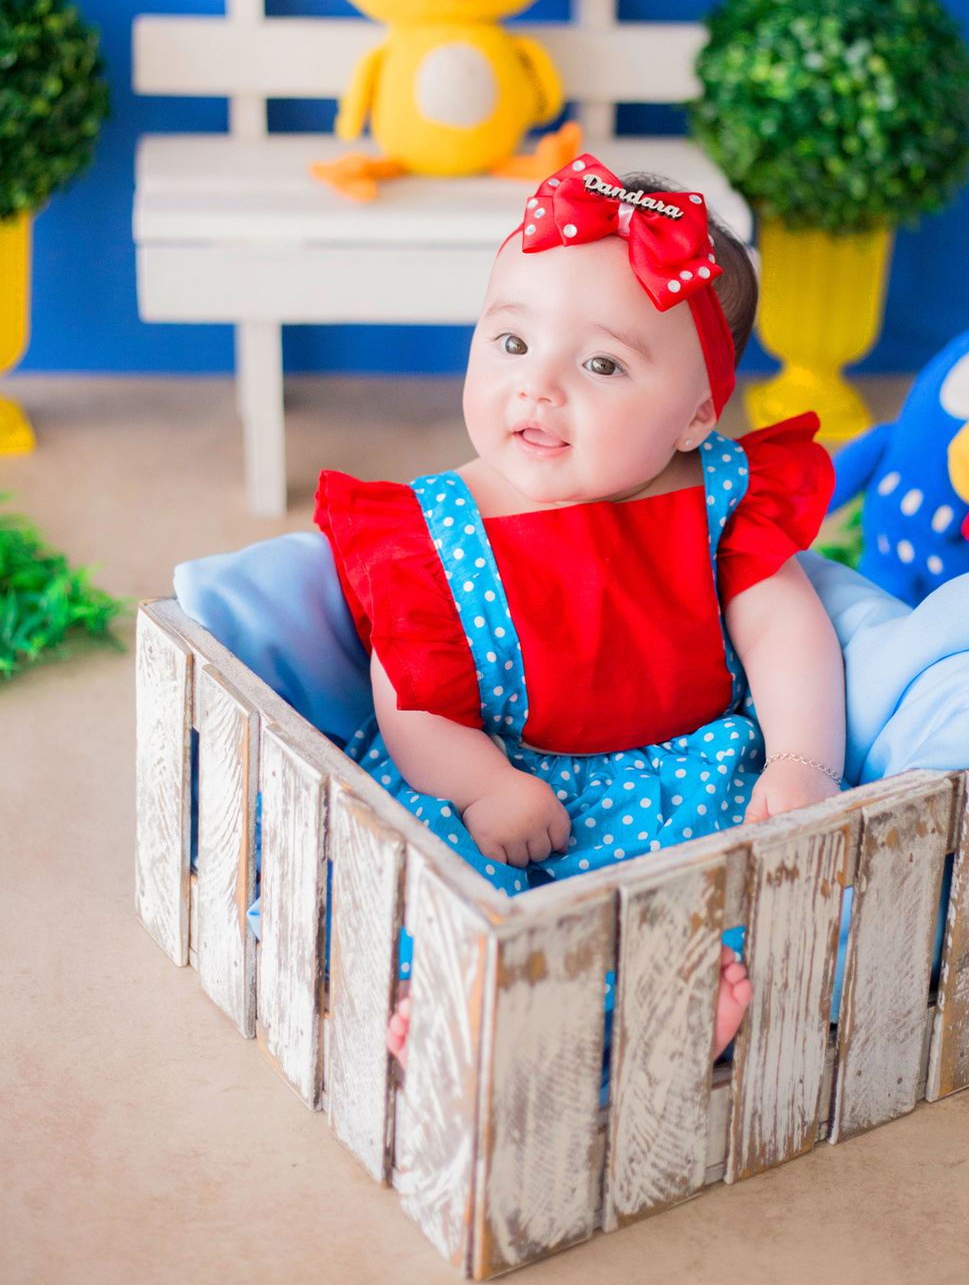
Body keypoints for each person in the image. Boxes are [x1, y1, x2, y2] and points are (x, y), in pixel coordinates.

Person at [316, 157, 845, 1063]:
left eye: (602, 363)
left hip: (678, 777)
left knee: (734, 872)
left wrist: (802, 759)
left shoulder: (719, 500)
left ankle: (669, 1012)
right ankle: (455, 1005)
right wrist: (482, 785)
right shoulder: (436, 530)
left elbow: (787, 628)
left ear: (693, 416)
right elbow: (409, 694)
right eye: (511, 343)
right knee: (436, 872)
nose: (539, 385)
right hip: (495, 778)